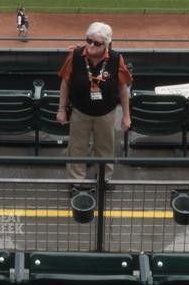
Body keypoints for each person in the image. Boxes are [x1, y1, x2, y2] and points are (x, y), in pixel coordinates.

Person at [56, 22, 132, 184]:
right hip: (80, 112)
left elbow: (123, 88)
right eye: (88, 40)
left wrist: (126, 116)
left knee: (105, 149)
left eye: (96, 43)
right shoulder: (75, 56)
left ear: (106, 44)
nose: (91, 45)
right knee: (76, 148)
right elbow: (65, 84)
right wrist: (61, 109)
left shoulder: (116, 59)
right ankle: (76, 182)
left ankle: (104, 178)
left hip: (106, 113)